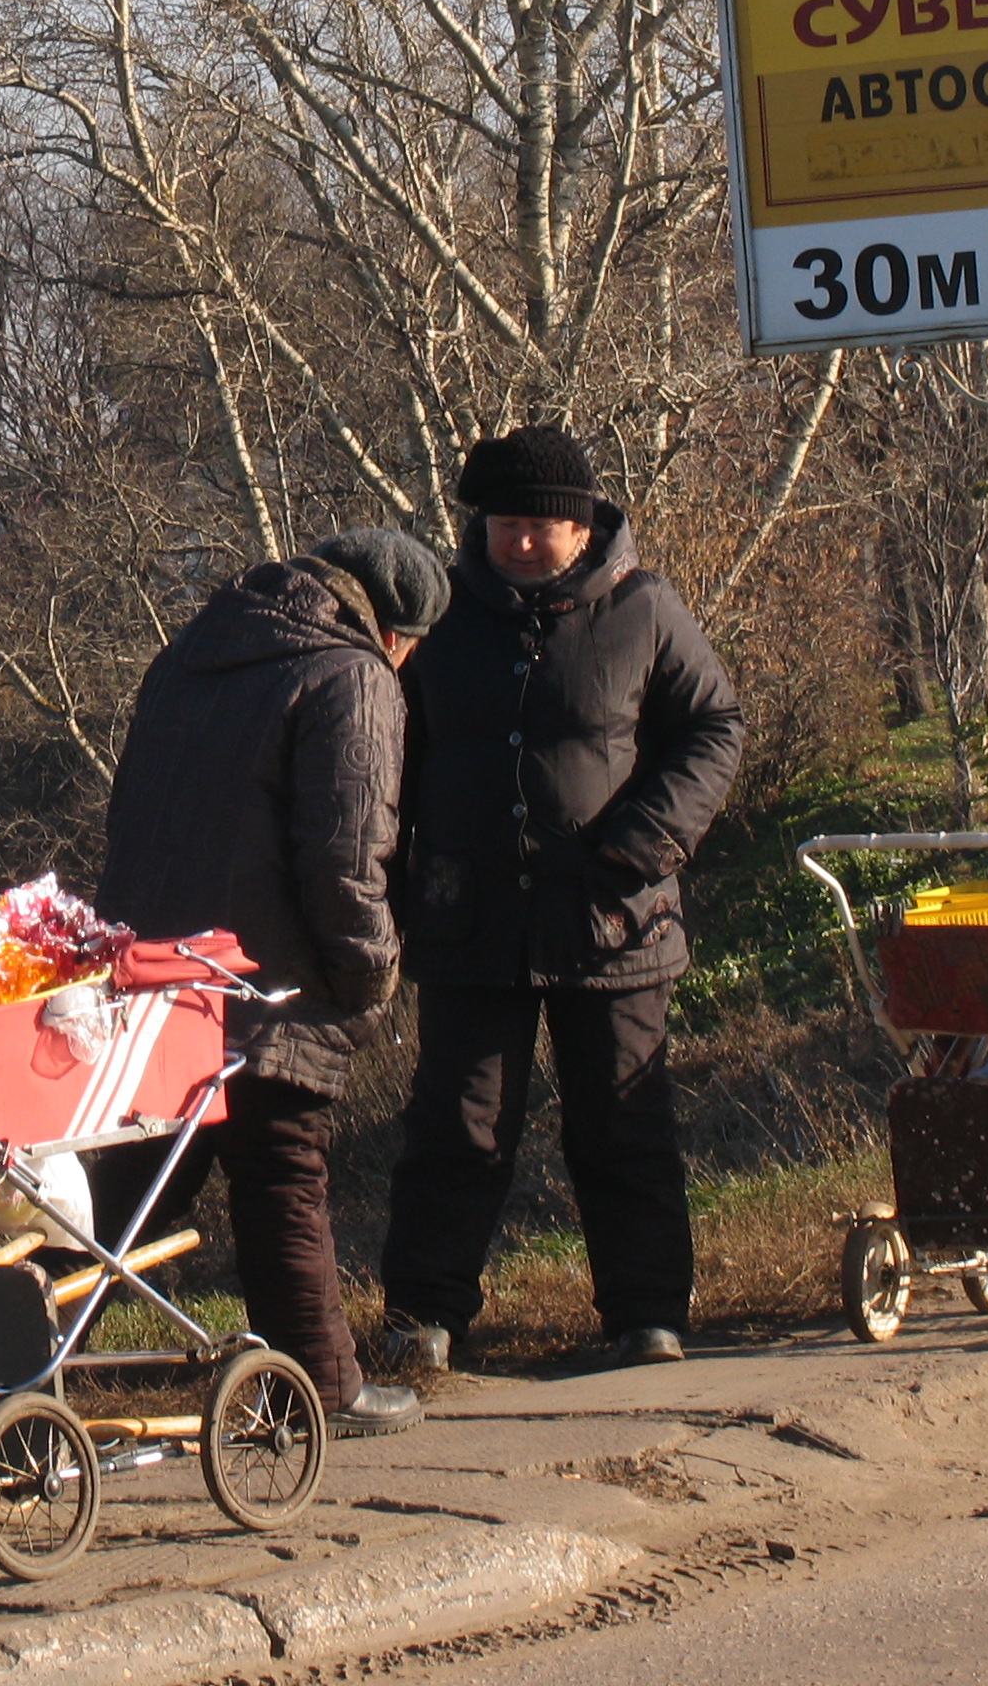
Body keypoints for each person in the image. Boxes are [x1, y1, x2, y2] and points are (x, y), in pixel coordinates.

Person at [378, 425, 743, 1373]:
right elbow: (391, 756)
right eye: (505, 524)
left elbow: (714, 728)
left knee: (623, 1119)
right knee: (456, 1128)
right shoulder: (439, 618)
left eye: (540, 526)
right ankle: (423, 1317)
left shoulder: (646, 608)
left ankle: (647, 1314)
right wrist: (389, 883)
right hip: (470, 923)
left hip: (615, 917)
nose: (522, 541)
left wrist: (642, 846)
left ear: (583, 529)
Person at [94, 526, 451, 1436]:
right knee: (282, 1172)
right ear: (395, 632)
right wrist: (370, 974)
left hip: (154, 972)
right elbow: (347, 860)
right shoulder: (352, 677)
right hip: (266, 981)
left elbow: (131, 816)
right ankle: (320, 1388)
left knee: (128, 1187)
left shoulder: (190, 655)